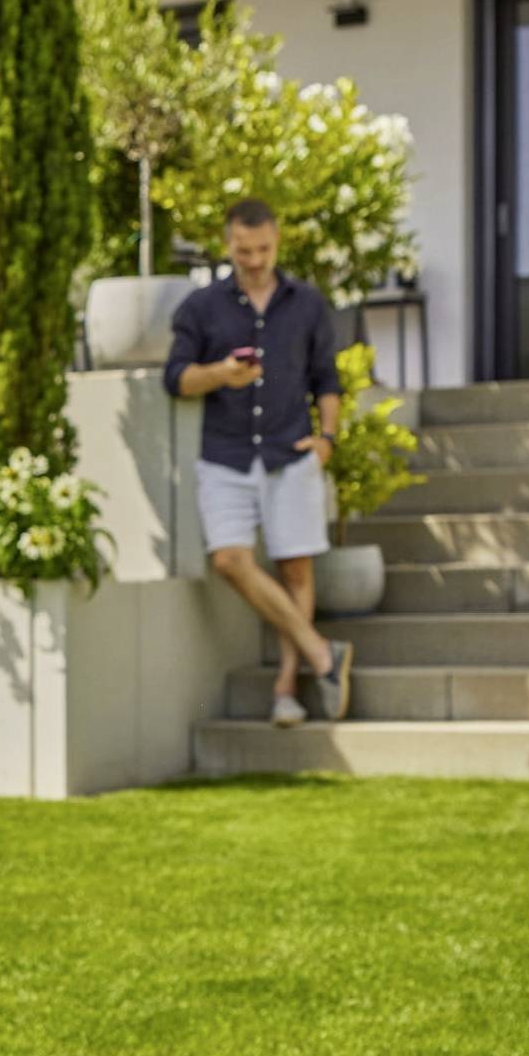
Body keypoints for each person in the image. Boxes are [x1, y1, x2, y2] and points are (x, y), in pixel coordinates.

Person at [161, 199, 351, 726]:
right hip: (225, 454)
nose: (254, 260)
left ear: (277, 242)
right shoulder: (202, 309)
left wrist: (328, 439)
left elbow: (327, 380)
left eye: (263, 249)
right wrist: (221, 373)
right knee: (228, 560)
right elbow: (175, 379)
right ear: (228, 246)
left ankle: (287, 690)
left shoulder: (307, 304)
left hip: (291, 450)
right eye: (244, 251)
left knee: (296, 566)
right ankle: (321, 652)